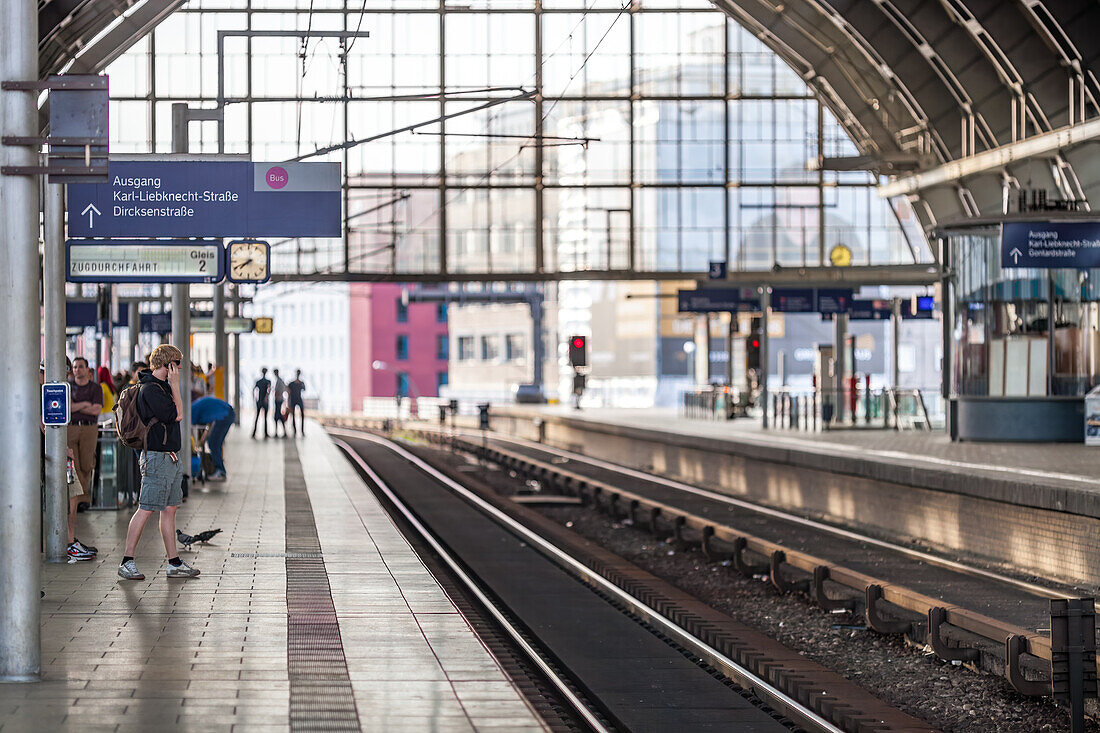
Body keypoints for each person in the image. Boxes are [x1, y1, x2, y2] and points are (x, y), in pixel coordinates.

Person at [118, 344, 200, 580]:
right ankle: (127, 561)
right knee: (146, 508)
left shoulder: (161, 387)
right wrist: (175, 386)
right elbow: (178, 415)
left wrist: (172, 386)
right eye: (177, 363)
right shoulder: (151, 390)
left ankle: (174, 563)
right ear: (168, 364)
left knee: (170, 509)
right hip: (156, 458)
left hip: (170, 457)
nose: (181, 368)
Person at [67, 357, 102, 507]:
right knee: (74, 463)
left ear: (87, 369)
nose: (77, 369)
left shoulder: (95, 388)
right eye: (75, 367)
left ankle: (82, 496)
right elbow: (68, 408)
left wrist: (76, 406)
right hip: (71, 428)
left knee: (86, 464)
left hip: (89, 428)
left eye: (80, 367)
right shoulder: (68, 387)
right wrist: (85, 404)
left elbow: (96, 409)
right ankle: (80, 499)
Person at [191, 396, 235, 481]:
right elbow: (209, 426)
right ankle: (219, 469)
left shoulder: (192, 411)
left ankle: (220, 471)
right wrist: (202, 441)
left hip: (225, 415)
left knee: (214, 444)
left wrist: (198, 443)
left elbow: (191, 431)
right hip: (227, 413)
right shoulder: (197, 405)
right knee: (213, 442)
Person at [251, 367, 272, 439]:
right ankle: (265, 433)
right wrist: (266, 397)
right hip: (264, 401)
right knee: (264, 418)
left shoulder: (258, 381)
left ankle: (254, 433)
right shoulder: (268, 381)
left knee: (257, 417)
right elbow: (269, 390)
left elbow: (254, 390)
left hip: (260, 400)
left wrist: (255, 399)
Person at [287, 370, 307, 437]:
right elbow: (288, 393)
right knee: (293, 416)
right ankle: (295, 430)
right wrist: (288, 403)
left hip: (299, 399)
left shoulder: (301, 383)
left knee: (302, 415)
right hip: (293, 400)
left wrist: (303, 385)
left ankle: (302, 431)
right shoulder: (291, 383)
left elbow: (304, 389)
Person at [271, 368, 288, 438]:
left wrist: (277, 396)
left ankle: (279, 432)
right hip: (279, 400)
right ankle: (281, 432)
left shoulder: (279, 381)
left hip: (278, 400)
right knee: (278, 416)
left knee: (277, 416)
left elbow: (278, 391)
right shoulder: (279, 380)